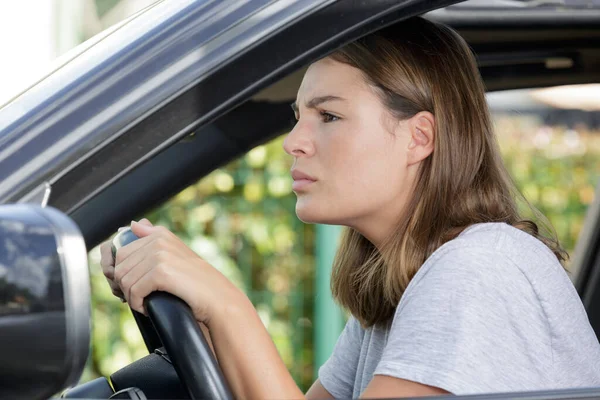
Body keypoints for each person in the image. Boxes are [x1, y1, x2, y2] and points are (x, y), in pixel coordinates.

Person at [100, 16, 600, 399]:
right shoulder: (400, 287)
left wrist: (227, 305)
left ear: (418, 136)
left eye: (329, 115)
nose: (293, 141)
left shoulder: (480, 269)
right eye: (299, 117)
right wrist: (197, 311)